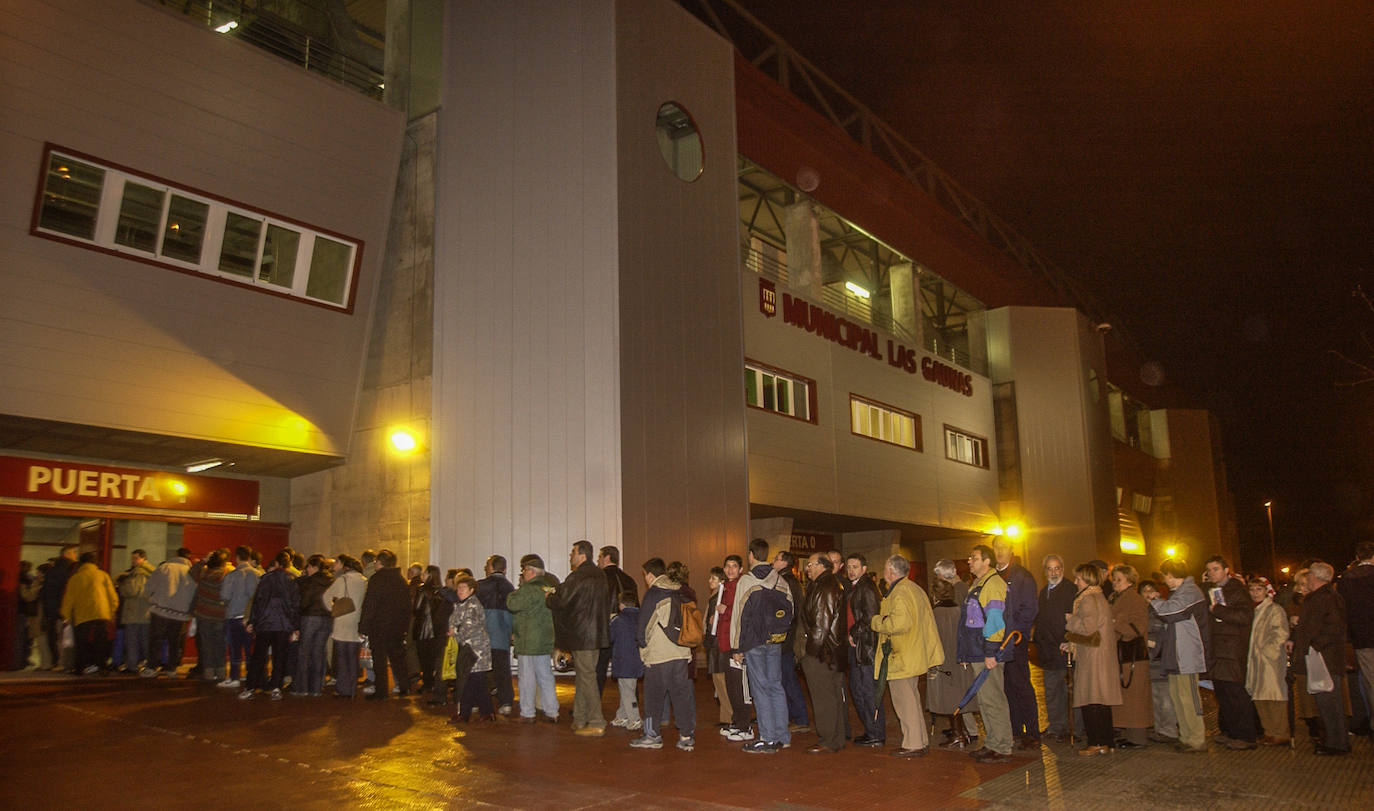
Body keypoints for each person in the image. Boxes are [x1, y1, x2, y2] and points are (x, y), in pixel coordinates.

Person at [872, 554, 943, 757]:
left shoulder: (899, 593)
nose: (884, 572)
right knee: (912, 699)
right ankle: (920, 739)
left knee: (904, 701)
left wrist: (877, 621)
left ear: (891, 571)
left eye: (885, 568)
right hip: (914, 653)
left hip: (901, 655)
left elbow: (899, 624)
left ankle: (912, 744)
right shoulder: (914, 589)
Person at [730, 538, 794, 753]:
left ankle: (767, 738)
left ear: (750, 555)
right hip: (775, 640)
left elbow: (738, 617)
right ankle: (782, 736)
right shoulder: (780, 579)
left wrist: (736, 647)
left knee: (760, 689)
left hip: (753, 640)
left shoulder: (746, 581)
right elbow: (790, 608)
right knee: (775, 686)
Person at [631, 558, 696, 751]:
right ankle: (686, 736)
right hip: (681, 652)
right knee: (681, 695)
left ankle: (652, 735)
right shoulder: (680, 591)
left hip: (659, 654)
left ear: (650, 575)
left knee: (653, 697)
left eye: (645, 575)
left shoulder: (654, 594)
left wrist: (642, 646)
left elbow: (644, 626)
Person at [546, 540, 610, 736]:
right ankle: (580, 718)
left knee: (587, 678)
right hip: (596, 634)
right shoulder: (599, 575)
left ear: (582, 555)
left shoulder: (578, 576)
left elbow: (562, 599)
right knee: (584, 676)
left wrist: (549, 597)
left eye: (573, 552)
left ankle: (597, 722)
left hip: (582, 635)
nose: (570, 555)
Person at [959, 544, 1014, 763]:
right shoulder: (978, 584)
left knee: (993, 700)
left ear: (987, 561)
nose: (970, 561)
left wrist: (991, 651)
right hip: (978, 652)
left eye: (974, 558)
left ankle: (1002, 746)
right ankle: (992, 742)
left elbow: (995, 621)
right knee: (984, 700)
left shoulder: (993, 584)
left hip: (987, 652)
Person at [1288, 561, 1349, 755]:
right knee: (1324, 701)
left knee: (1330, 702)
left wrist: (1315, 645)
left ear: (1316, 577)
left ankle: (1337, 743)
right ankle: (1332, 740)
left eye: (1311, 575)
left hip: (1326, 658)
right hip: (1320, 656)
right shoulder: (1319, 597)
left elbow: (1335, 627)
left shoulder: (1328, 597)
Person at [1150, 558, 1210, 753]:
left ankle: (1197, 739)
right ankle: (1186, 736)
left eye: (1166, 576)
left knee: (1189, 698)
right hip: (1175, 654)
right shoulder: (1179, 593)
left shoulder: (1190, 592)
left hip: (1187, 655)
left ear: (1172, 574)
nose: (1165, 581)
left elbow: (1171, 612)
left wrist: (1154, 600)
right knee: (1178, 696)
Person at [1203, 555, 1258, 749]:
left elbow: (1244, 617)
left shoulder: (1237, 590)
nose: (1211, 573)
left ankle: (1246, 736)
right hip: (1218, 650)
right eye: (1209, 569)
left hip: (1232, 650)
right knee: (1222, 693)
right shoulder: (1211, 591)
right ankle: (1229, 731)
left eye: (1216, 569)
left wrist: (1218, 610)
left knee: (1236, 694)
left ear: (1226, 570)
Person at [993, 537, 1040, 749]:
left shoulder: (1022, 577)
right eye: (997, 548)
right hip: (996, 641)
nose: (1000, 551)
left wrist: (1013, 633)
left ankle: (1031, 731)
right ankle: (1014, 729)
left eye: (1004, 548)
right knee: (1006, 687)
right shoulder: (992, 575)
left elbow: (1029, 609)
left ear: (1011, 550)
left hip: (1015, 640)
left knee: (1021, 685)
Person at [799, 553, 847, 753]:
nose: (807, 568)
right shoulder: (828, 584)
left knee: (823, 698)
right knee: (833, 696)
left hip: (823, 653)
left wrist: (811, 653)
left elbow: (822, 623)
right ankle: (836, 738)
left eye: (809, 564)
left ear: (820, 565)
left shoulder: (825, 587)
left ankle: (828, 739)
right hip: (831, 652)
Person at [239, 550, 300, 701]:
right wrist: (295, 627)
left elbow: (257, 603)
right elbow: (295, 606)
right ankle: (276, 687)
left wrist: (252, 622)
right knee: (279, 657)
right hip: (283, 625)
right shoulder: (292, 580)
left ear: (277, 563)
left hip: (265, 624)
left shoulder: (265, 579)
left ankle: (250, 687)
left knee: (258, 657)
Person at [928, 560, 978, 745]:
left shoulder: (957, 592)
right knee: (958, 692)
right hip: (956, 652)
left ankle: (965, 732)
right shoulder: (957, 593)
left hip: (952, 654)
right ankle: (962, 730)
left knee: (955, 693)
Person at [508, 554, 560, 722]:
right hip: (545, 638)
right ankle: (552, 711)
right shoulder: (549, 587)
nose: (523, 574)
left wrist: (514, 593)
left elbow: (512, 604)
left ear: (530, 572)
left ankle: (527, 712)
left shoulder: (527, 589)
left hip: (528, 639)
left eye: (524, 571)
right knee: (546, 676)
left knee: (526, 678)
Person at [357, 548, 412, 700]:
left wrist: (363, 627)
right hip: (397, 627)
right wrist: (404, 627)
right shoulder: (400, 581)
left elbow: (370, 605)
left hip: (379, 627)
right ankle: (404, 686)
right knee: (398, 658)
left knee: (379, 660)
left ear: (379, 563)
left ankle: (381, 691)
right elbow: (407, 607)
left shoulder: (376, 580)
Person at [1107, 565, 1152, 748]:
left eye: (1119, 579)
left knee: (1135, 697)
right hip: (1120, 654)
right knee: (1125, 697)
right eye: (1114, 579)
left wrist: (1115, 623)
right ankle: (1129, 734)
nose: (1115, 583)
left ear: (1130, 580)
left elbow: (1137, 627)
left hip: (1132, 655)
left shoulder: (1135, 599)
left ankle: (1138, 737)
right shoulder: (1114, 598)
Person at [1033, 554, 1076, 742]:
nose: (1054, 572)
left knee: (1068, 691)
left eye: (1057, 568)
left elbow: (1073, 619)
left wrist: (1068, 639)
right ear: (1045, 571)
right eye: (1050, 569)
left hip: (1064, 648)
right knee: (1051, 691)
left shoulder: (1070, 590)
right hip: (1048, 650)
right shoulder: (1044, 592)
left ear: (1062, 569)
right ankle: (1056, 726)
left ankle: (1070, 728)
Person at [846, 552, 886, 747]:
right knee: (859, 689)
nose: (851, 570)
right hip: (859, 646)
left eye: (855, 567)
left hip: (865, 647)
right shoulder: (856, 587)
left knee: (867, 690)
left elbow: (870, 617)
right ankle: (871, 730)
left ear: (863, 568)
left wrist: (854, 632)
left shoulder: (866, 588)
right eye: (849, 567)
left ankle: (875, 732)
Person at [1246, 576, 1290, 745]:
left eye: (1259, 589)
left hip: (1269, 660)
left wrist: (1266, 651)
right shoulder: (1253, 610)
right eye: (1252, 590)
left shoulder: (1274, 609)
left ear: (1266, 591)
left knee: (1274, 696)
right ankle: (1269, 731)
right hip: (1256, 660)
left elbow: (1280, 632)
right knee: (1259, 697)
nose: (1255, 593)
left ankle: (1280, 732)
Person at [60, 551, 119, 674]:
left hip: (83, 615)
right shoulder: (103, 575)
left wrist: (65, 615)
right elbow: (113, 597)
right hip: (102, 614)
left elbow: (69, 598)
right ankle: (102, 668)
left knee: (81, 642)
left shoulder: (75, 578)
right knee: (101, 643)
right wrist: (112, 611)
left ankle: (80, 668)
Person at [1338, 541, 1374, 737]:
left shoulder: (1347, 579)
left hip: (1362, 638)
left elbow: (1342, 612)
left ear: (1358, 557)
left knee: (1370, 681)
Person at [773, 550, 810, 734]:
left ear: (784, 563)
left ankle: (801, 717)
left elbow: (788, 613)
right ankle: (788, 716)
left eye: (776, 559)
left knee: (788, 679)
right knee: (785, 679)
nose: (773, 561)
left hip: (786, 639)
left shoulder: (786, 582)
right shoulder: (789, 581)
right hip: (787, 637)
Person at [449, 573, 494, 723]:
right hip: (470, 649)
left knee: (471, 681)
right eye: (458, 588)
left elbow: (469, 627)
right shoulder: (462, 604)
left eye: (463, 588)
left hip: (476, 650)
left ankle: (466, 713)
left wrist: (454, 632)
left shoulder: (472, 605)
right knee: (474, 682)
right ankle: (484, 713)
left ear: (471, 590)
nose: (459, 591)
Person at [1138, 580, 1179, 744]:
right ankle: (1159, 729)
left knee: (1165, 697)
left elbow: (1161, 630)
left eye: (1151, 590)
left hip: (1161, 658)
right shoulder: (1142, 610)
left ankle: (1169, 730)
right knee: (1154, 696)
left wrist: (1148, 641)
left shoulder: (1161, 608)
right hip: (1148, 659)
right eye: (1144, 591)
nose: (1148, 594)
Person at [144, 547, 195, 678]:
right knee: (175, 642)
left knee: (156, 640)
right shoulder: (192, 572)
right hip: (180, 614)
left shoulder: (165, 567)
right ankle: (171, 668)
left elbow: (149, 587)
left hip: (161, 610)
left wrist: (151, 598)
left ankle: (152, 667)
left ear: (176, 555)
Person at [596, 546, 639, 698]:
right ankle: (631, 705)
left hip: (605, 631)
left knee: (598, 670)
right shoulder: (629, 580)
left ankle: (593, 707)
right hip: (627, 633)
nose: (598, 560)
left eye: (600, 557)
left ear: (607, 558)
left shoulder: (598, 578)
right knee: (628, 671)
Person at [323, 554, 366, 698]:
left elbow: (325, 597)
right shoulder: (364, 581)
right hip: (357, 622)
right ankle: (353, 688)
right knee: (353, 659)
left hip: (341, 621)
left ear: (346, 567)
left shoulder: (341, 580)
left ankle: (343, 689)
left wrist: (333, 609)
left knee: (341, 659)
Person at [477, 555, 516, 714]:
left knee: (481, 671)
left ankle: (480, 703)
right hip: (502, 636)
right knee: (503, 670)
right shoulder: (510, 588)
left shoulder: (480, 586)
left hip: (484, 635)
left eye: (487, 565)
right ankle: (505, 702)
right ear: (504, 569)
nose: (485, 568)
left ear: (491, 568)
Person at [218, 546, 261, 689]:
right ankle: (250, 676)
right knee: (250, 649)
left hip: (234, 616)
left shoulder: (232, 575)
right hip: (251, 618)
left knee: (235, 648)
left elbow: (225, 596)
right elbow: (257, 597)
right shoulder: (257, 574)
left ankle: (234, 677)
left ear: (237, 558)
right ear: (249, 557)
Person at [293, 554, 333, 696]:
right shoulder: (330, 580)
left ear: (315, 567)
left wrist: (298, 616)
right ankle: (316, 688)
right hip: (327, 618)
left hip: (310, 617)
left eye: (309, 566)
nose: (307, 569)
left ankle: (301, 688)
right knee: (318, 652)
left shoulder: (310, 582)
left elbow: (304, 601)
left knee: (304, 652)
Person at [191, 550, 233, 682]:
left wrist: (204, 559)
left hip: (204, 614)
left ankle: (209, 673)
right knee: (220, 644)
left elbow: (191, 572)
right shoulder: (227, 575)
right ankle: (221, 672)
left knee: (207, 644)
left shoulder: (204, 573)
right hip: (220, 614)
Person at [703, 566, 734, 729]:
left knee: (721, 681)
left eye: (713, 579)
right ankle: (726, 715)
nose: (710, 581)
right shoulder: (714, 597)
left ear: (721, 582)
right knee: (719, 681)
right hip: (714, 644)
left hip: (717, 645)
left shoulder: (719, 598)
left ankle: (728, 716)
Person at [609, 589, 644, 731]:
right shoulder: (641, 617)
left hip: (623, 660)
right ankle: (622, 716)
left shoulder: (618, 620)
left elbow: (610, 637)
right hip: (637, 660)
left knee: (627, 691)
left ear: (621, 605)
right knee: (627, 688)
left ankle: (635, 718)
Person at [40, 545, 78, 672]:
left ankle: (56, 662)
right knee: (66, 638)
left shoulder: (52, 570)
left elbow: (45, 592)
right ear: (66, 554)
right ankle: (65, 663)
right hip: (64, 610)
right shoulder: (70, 571)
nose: (75, 555)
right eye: (73, 553)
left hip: (51, 610)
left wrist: (47, 611)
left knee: (54, 637)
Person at [118, 549, 155, 674]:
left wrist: (122, 583)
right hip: (147, 611)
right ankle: (151, 665)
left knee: (132, 641)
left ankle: (132, 666)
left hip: (133, 611)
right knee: (146, 641)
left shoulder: (138, 572)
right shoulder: (152, 572)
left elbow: (132, 591)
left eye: (135, 558)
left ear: (142, 559)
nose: (133, 561)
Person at [411, 565, 445, 695]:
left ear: (430, 575)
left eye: (424, 573)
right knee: (433, 658)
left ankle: (427, 683)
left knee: (424, 659)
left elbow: (417, 608)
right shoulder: (440, 591)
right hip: (436, 630)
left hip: (423, 629)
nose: (422, 575)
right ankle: (434, 682)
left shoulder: (422, 589)